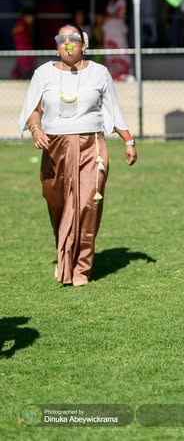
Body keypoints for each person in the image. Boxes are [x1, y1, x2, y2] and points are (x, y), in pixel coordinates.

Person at [18, 23, 137, 285]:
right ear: (56, 44)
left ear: (84, 44)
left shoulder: (99, 73)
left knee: (86, 204)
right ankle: (65, 254)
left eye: (74, 38)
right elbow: (33, 109)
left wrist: (128, 140)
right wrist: (36, 129)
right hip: (54, 147)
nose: (68, 43)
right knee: (58, 204)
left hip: (91, 146)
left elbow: (113, 109)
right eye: (62, 38)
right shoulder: (43, 73)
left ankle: (80, 268)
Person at [102, 0, 132, 80]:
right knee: (110, 53)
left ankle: (126, 74)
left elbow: (118, 15)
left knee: (121, 51)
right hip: (109, 33)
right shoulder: (110, 2)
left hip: (118, 32)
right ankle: (111, 75)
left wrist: (107, 17)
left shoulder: (121, 1)